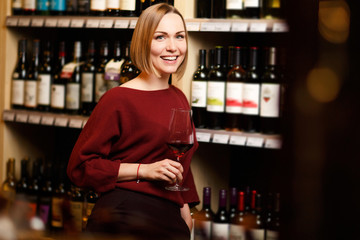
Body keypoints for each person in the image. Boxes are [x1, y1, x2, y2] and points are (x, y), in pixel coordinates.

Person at [67, 3, 199, 240]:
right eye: (160, 37)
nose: (172, 47)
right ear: (143, 43)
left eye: (179, 36)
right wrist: (145, 170)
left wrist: (184, 208)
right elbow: (81, 167)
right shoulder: (118, 99)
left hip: (169, 218)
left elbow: (180, 165)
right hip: (124, 215)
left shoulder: (179, 98)